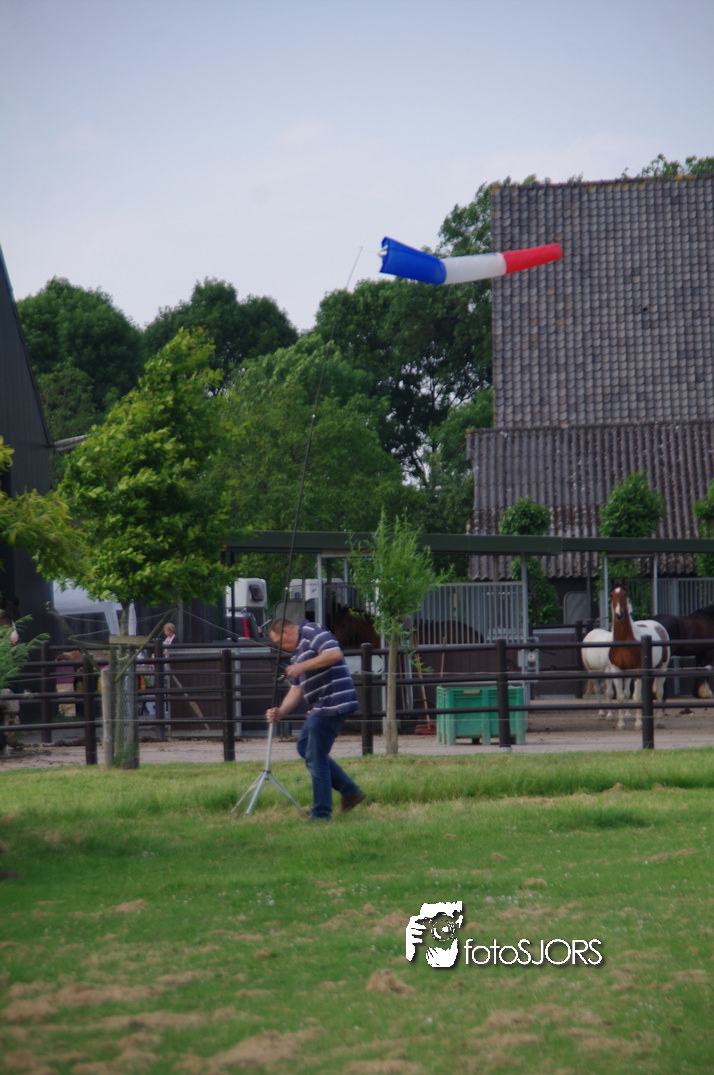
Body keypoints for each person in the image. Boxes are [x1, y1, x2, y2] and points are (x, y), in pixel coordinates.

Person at [266, 617, 365, 820]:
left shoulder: (311, 630)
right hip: (320, 706)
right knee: (305, 748)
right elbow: (296, 690)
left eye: (278, 642)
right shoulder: (296, 655)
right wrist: (280, 712)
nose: (280, 648)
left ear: (285, 632)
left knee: (316, 757)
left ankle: (321, 814)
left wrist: (302, 667)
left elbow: (334, 653)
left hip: (333, 701)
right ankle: (349, 791)